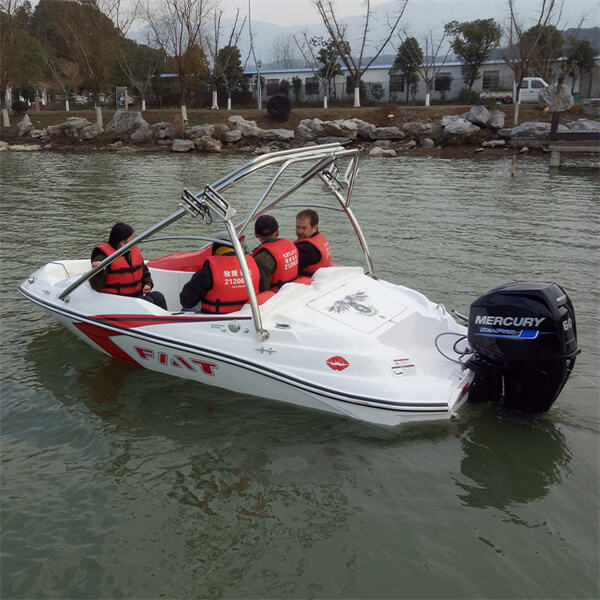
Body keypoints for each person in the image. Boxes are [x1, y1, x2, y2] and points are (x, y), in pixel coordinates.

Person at [90, 222, 167, 310]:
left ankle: (167, 321)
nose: (135, 241)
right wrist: (99, 270)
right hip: (116, 300)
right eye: (132, 239)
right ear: (122, 242)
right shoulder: (103, 256)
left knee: (158, 296)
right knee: (147, 301)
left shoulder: (132, 252)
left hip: (134, 297)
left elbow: (144, 272)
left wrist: (147, 284)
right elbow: (96, 285)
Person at [179, 233, 260, 313]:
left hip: (216, 319)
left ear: (215, 247)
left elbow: (186, 301)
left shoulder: (209, 270)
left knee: (187, 309)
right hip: (247, 317)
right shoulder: (252, 263)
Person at [252, 215, 299, 292]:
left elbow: (262, 289)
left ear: (256, 234)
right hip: (294, 291)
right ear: (277, 232)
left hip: (277, 297)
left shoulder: (261, 258)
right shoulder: (291, 245)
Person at [294, 209, 331, 275]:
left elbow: (286, 268)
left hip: (308, 281)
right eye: (298, 227)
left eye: (304, 228)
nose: (300, 232)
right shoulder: (320, 239)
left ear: (315, 228)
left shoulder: (307, 249)